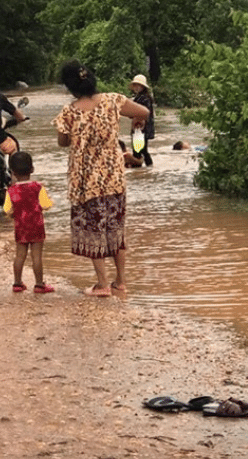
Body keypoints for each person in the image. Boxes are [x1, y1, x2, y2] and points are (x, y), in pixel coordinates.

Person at [53, 60, 149, 297]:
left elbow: (62, 142)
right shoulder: (114, 100)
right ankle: (121, 282)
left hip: (85, 179)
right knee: (116, 229)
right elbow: (143, 112)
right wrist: (137, 123)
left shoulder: (69, 111)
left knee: (92, 229)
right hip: (114, 176)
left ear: (70, 86)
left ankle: (102, 284)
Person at [3, 151, 54, 294]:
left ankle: (17, 283)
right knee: (36, 256)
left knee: (20, 255)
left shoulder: (11, 190)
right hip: (37, 225)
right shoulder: (38, 187)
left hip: (20, 227)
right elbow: (46, 205)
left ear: (12, 172)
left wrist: (13, 214)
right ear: (32, 169)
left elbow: (7, 209)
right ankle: (39, 285)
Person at [129, 74, 155, 167]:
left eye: (138, 85)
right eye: (135, 85)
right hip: (140, 128)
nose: (136, 87)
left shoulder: (144, 98)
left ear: (143, 86)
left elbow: (144, 114)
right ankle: (147, 168)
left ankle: (138, 169)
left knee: (138, 151)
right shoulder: (140, 97)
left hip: (141, 128)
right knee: (141, 150)